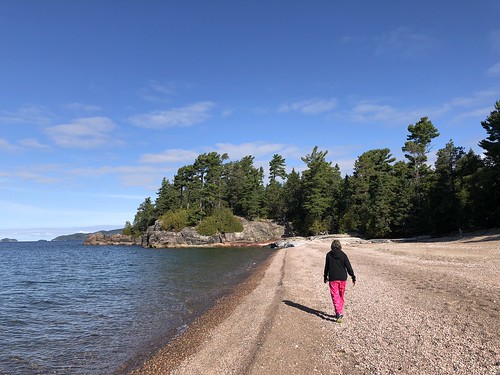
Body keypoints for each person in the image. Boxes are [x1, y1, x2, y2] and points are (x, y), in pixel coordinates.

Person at [323, 239, 356, 323]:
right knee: (341, 295)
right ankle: (340, 311)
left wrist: (325, 277)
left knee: (335, 296)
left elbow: (326, 267)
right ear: (340, 246)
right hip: (342, 278)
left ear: (332, 246)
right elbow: (348, 266)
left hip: (333, 278)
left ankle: (338, 312)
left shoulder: (329, 255)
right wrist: (352, 276)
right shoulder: (343, 255)